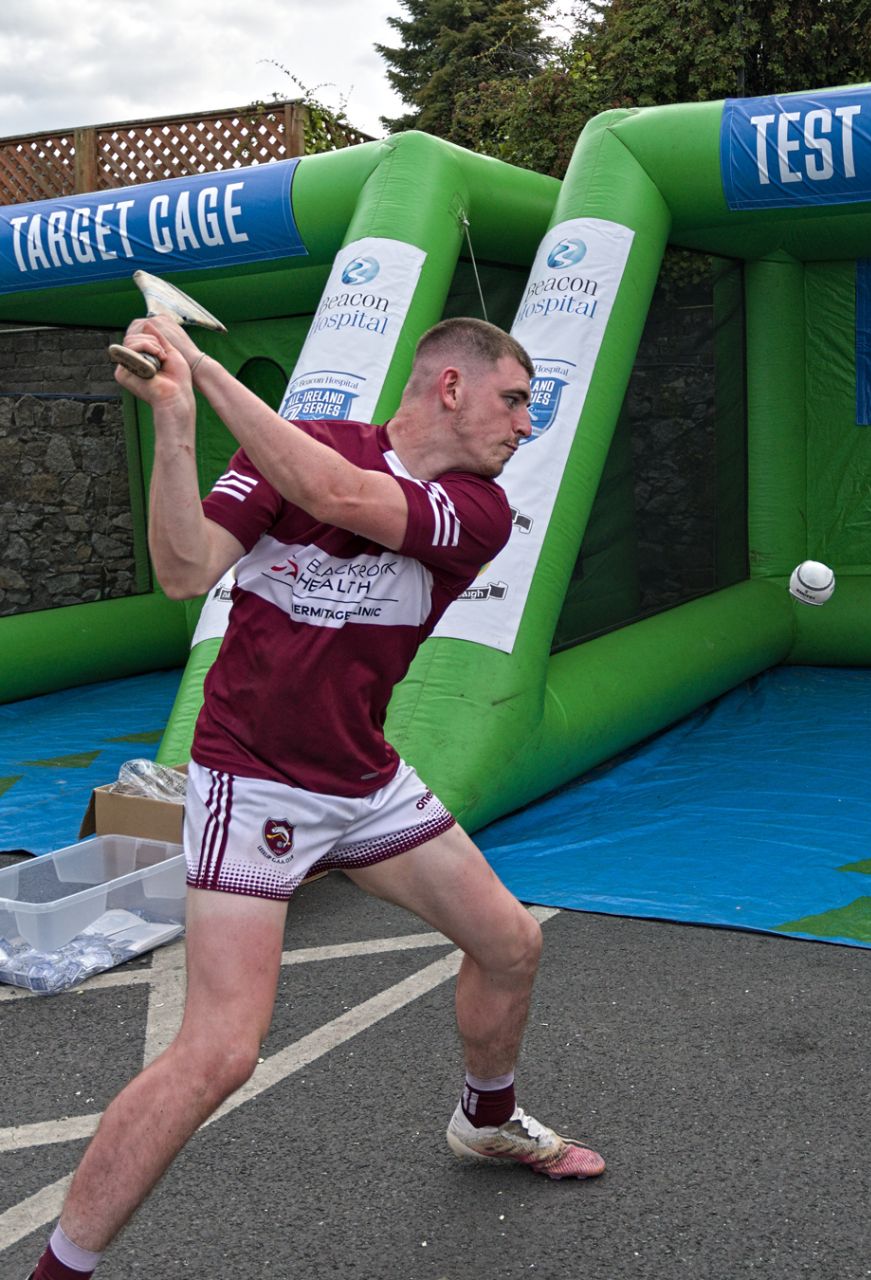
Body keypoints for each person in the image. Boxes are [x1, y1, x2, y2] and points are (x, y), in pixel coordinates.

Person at [28, 314, 604, 1280]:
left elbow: (333, 493)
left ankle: (487, 1120)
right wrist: (175, 421)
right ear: (451, 386)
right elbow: (185, 568)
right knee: (218, 1053)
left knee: (512, 943)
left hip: (362, 779)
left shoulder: (480, 507)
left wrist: (203, 367)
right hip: (248, 780)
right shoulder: (299, 451)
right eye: (514, 398)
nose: (526, 423)